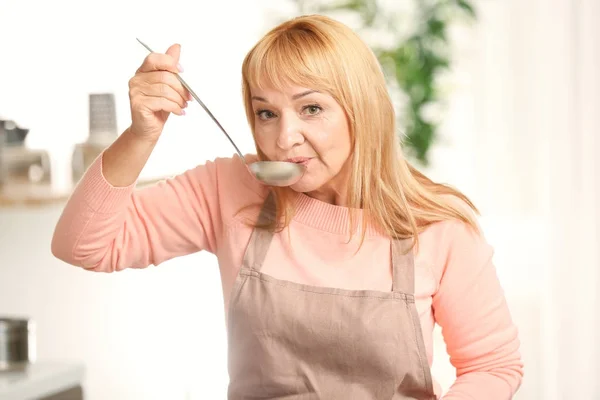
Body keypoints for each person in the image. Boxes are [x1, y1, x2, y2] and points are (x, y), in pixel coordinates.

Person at [51, 14, 523, 400]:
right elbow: (85, 246)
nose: (283, 138)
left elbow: (491, 366)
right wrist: (142, 134)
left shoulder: (437, 226)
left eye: (311, 108)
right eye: (266, 113)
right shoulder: (230, 187)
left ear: (363, 108)